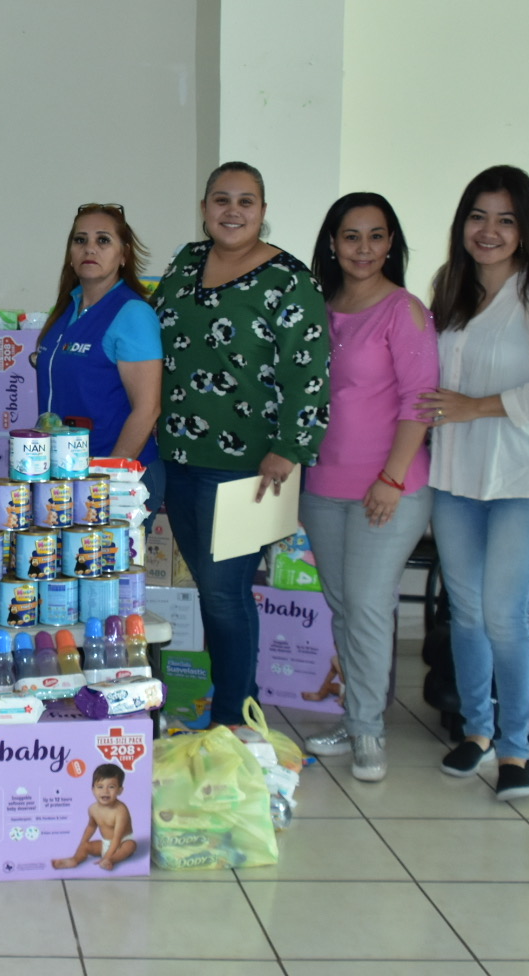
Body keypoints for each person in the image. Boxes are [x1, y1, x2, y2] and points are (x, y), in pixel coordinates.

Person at [418, 165, 529, 801]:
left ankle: (517, 749)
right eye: (478, 217)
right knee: (465, 612)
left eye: (505, 219)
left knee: (505, 617)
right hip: (456, 477)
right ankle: (476, 731)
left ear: (525, 228)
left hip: (519, 480)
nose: (489, 231)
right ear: (463, 225)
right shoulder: (450, 289)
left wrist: (475, 406)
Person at [151, 162, 330, 728]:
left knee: (225, 595)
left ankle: (234, 716)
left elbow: (312, 374)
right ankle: (232, 704)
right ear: (204, 207)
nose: (233, 211)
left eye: (246, 201)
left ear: (263, 210)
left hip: (248, 465)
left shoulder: (290, 280)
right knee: (210, 588)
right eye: (221, 199)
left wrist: (290, 447)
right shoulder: (185, 263)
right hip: (177, 455)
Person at [297, 193, 438, 783]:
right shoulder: (319, 306)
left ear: (391, 244)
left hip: (389, 487)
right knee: (343, 605)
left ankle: (368, 733)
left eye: (375, 236)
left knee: (370, 607)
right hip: (323, 484)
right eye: (350, 237)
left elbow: (419, 402)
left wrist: (391, 477)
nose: (363, 248)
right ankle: (355, 715)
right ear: (332, 243)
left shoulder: (403, 310)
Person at [35, 203, 165, 511]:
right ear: (70, 253)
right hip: (65, 478)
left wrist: (107, 477)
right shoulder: (67, 309)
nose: (89, 248)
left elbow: (147, 409)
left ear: (124, 254)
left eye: (103, 240)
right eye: (80, 240)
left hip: (116, 480)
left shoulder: (132, 313)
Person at [52, 763, 137, 871]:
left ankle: (111, 860)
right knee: (86, 846)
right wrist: (83, 844)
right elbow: (91, 827)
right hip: (105, 843)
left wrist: (107, 857)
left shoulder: (121, 810)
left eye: (111, 787)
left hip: (121, 842)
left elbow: (117, 838)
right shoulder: (93, 809)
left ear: (120, 790)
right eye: (100, 787)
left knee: (131, 845)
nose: (105, 791)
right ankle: (74, 860)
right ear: (93, 789)